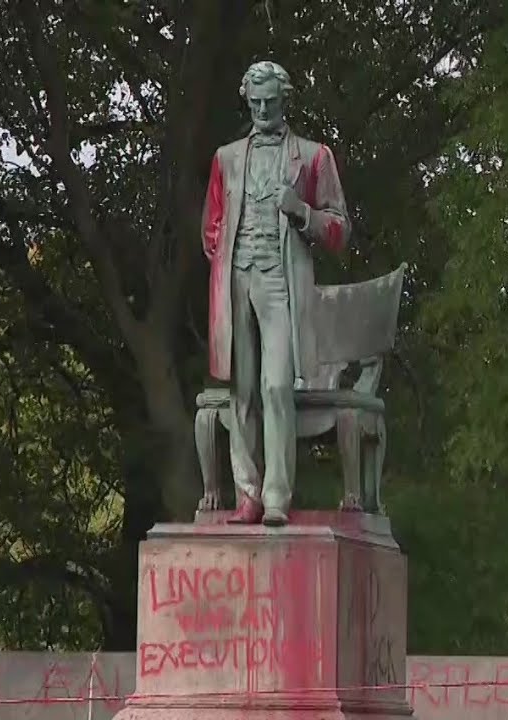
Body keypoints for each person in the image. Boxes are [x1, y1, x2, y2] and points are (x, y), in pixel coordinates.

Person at [201, 60, 351, 526]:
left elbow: (340, 230)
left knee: (276, 385)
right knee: (242, 391)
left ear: (284, 99)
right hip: (237, 280)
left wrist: (302, 212)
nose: (263, 110)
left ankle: (276, 496)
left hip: (281, 282)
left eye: (270, 102)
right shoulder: (226, 157)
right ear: (246, 101)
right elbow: (211, 227)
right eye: (255, 103)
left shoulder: (313, 156)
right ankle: (247, 495)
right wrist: (225, 257)